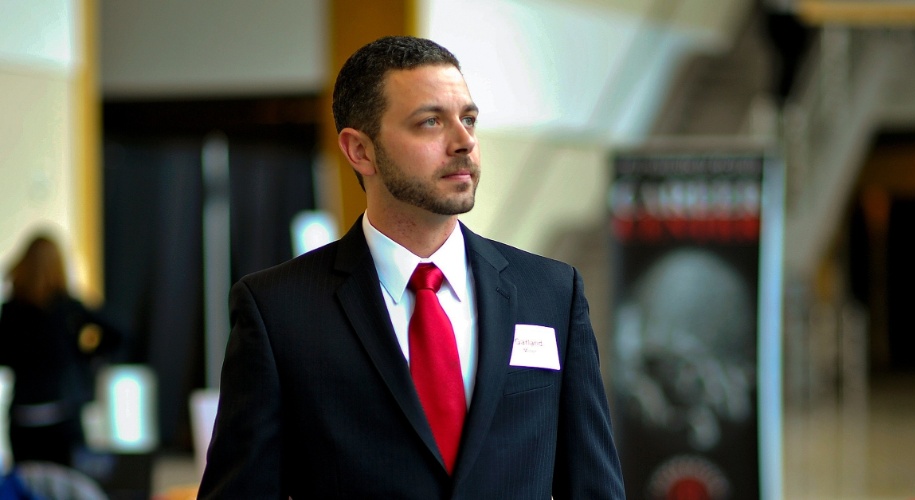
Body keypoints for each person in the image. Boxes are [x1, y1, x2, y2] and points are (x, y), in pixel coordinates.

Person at [198, 36, 625, 499]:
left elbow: (594, 487)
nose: (464, 142)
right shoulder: (278, 311)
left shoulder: (552, 293)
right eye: (430, 122)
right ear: (360, 151)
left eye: (468, 119)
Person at [0, 234, 121, 468]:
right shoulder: (67, 309)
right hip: (62, 415)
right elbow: (118, 332)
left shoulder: (11, 312)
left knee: (28, 483)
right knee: (66, 482)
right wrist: (87, 356)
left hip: (24, 417)